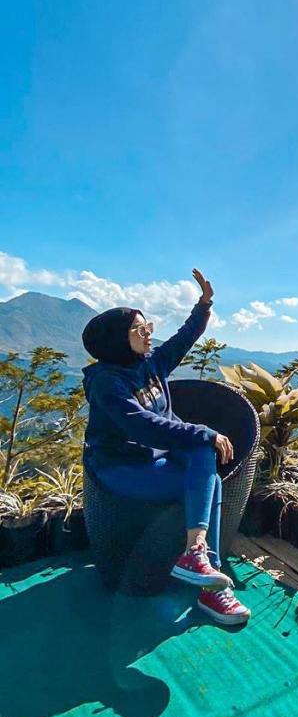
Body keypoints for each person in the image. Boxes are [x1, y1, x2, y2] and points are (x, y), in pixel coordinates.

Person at [81, 268, 250, 625]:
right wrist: (204, 431)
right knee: (208, 470)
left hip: (154, 460)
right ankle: (208, 580)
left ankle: (198, 556)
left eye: (149, 327)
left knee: (204, 461)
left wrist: (204, 305)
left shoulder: (150, 363)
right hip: (120, 467)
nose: (148, 335)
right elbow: (142, 426)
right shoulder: (107, 383)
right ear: (116, 340)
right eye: (138, 330)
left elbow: (183, 339)